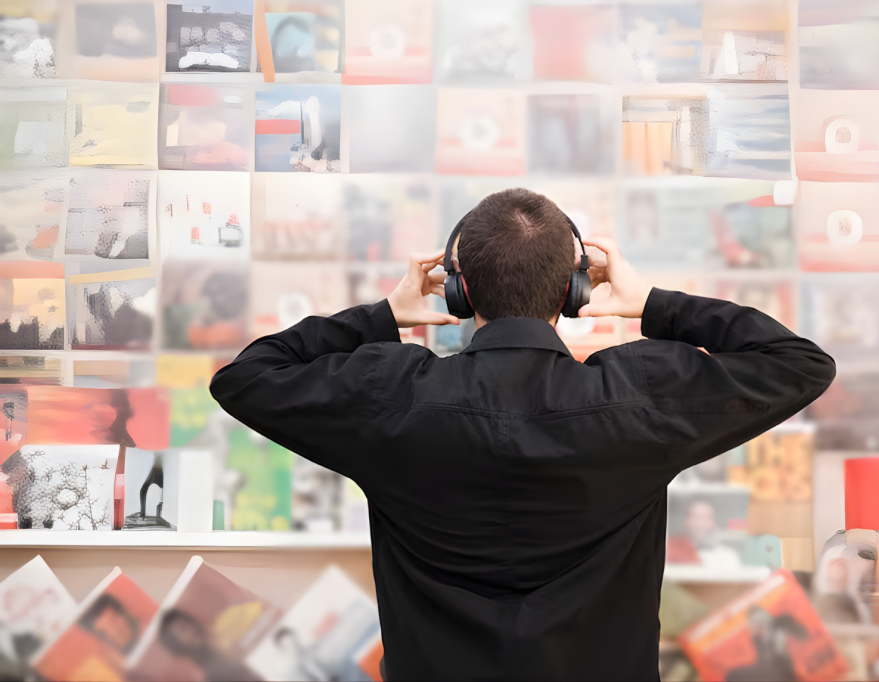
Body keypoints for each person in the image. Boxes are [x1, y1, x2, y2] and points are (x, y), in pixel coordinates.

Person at [210, 189, 835, 680]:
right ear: (573, 290)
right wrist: (653, 304)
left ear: (457, 290)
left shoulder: (392, 394)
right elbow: (801, 362)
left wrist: (382, 315)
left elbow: (245, 378)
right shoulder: (637, 398)